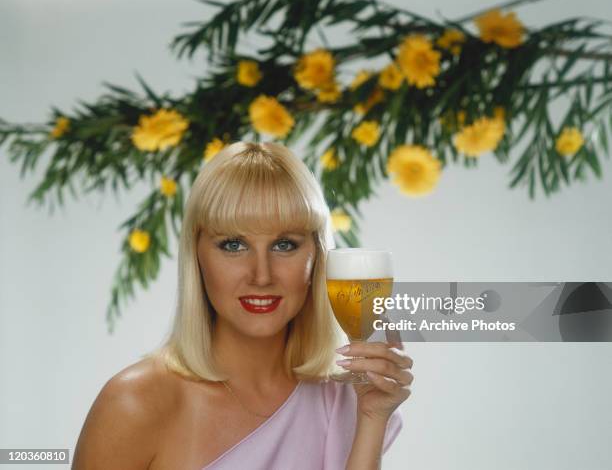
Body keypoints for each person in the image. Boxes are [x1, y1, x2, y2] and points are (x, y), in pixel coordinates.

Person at [72, 141, 414, 469]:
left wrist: (372, 418)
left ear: (317, 257)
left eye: (284, 245)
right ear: (197, 256)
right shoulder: (134, 404)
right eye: (233, 245)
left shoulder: (344, 400)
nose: (261, 275)